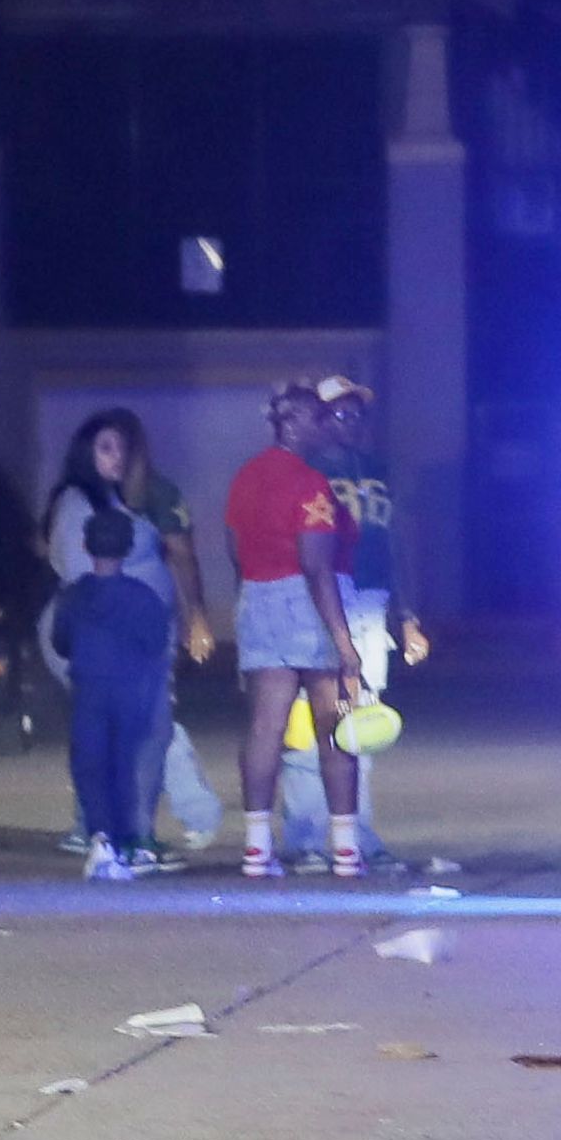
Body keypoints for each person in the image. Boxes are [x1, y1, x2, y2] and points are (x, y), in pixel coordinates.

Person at [39, 408, 213, 865]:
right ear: (84, 452)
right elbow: (78, 582)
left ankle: (110, 832)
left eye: (122, 447)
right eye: (105, 447)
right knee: (132, 739)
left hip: (126, 650)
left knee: (128, 739)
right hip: (112, 652)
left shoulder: (118, 500)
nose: (117, 458)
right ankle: (122, 835)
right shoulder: (78, 503)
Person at [223, 378, 375, 882]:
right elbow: (317, 566)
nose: (324, 426)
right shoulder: (310, 483)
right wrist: (343, 642)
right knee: (335, 727)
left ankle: (256, 846)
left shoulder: (245, 476)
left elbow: (232, 544)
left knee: (266, 728)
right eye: (316, 418)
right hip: (306, 604)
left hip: (257, 598)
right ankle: (346, 849)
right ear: (292, 423)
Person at [280, 374, 426, 866]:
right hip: (324, 594)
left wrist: (406, 616)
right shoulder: (305, 469)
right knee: (309, 719)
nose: (351, 422)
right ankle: (303, 837)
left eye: (357, 413)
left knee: (360, 720)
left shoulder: (378, 469)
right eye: (340, 413)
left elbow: (396, 543)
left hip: (369, 598)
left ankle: (357, 832)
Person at [58, 506, 173, 883]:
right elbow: (156, 642)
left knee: (90, 765)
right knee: (125, 766)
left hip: (89, 690)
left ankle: (101, 838)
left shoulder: (73, 596)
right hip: (131, 693)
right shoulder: (143, 597)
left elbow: (61, 642)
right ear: (128, 548)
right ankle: (129, 841)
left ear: (86, 546)